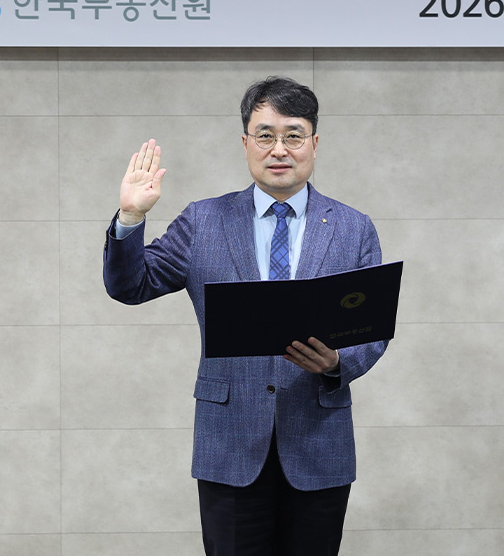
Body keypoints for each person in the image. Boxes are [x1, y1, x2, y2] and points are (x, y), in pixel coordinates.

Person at [103, 76, 388, 556]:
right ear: (245, 143)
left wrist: (339, 363)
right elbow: (130, 286)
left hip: (319, 444)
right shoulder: (203, 221)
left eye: (293, 136)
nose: (279, 149)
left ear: (314, 143)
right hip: (229, 445)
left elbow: (373, 330)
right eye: (265, 135)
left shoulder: (353, 227)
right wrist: (131, 218)